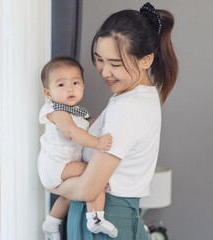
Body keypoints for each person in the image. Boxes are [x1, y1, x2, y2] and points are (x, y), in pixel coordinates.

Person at [48, 2, 179, 240]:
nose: (104, 71)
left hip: (105, 217)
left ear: (146, 60)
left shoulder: (129, 108)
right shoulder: (132, 97)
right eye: (99, 59)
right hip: (107, 216)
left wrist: (50, 183)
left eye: (115, 64)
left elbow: (89, 188)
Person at [37, 56, 118, 240]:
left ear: (82, 86)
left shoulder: (76, 115)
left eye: (75, 82)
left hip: (61, 166)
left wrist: (103, 117)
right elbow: (73, 133)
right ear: (48, 94)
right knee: (93, 175)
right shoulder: (57, 112)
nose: (70, 88)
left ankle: (51, 223)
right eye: (61, 85)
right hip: (57, 166)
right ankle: (95, 218)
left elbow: (85, 128)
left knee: (68, 195)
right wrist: (97, 143)